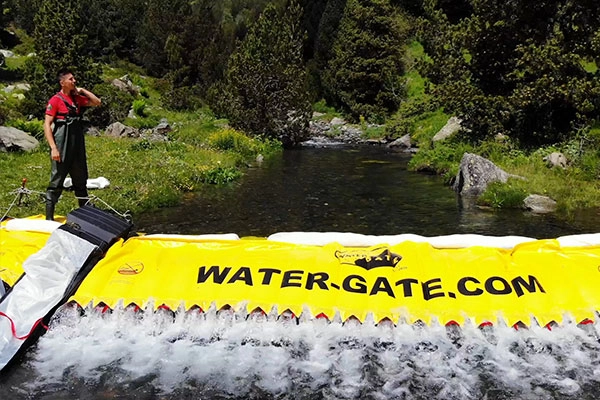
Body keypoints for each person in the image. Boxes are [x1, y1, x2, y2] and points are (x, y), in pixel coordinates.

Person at [43, 69, 101, 221]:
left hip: (77, 144)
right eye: (71, 79)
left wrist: (81, 90)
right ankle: (49, 219)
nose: (74, 81)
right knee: (57, 180)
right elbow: (47, 124)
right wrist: (53, 148)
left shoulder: (76, 100)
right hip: (62, 143)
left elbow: (96, 102)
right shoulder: (55, 100)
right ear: (62, 82)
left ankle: (85, 215)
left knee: (80, 180)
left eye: (74, 79)